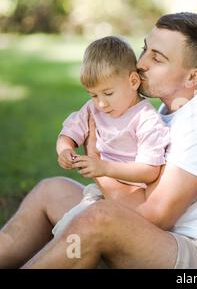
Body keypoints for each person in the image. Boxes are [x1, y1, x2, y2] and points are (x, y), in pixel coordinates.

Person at [0, 12, 197, 269]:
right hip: (162, 236)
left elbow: (155, 216)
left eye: (157, 58)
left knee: (99, 218)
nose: (141, 64)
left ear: (192, 77)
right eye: (145, 49)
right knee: (51, 191)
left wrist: (99, 167)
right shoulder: (169, 107)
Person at [53, 35, 170, 236]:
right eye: (93, 95)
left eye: (108, 94)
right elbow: (68, 135)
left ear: (133, 81)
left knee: (77, 235)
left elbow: (149, 171)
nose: (100, 104)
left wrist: (103, 167)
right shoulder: (93, 110)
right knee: (67, 232)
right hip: (101, 192)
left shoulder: (146, 120)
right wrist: (65, 150)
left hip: (133, 200)